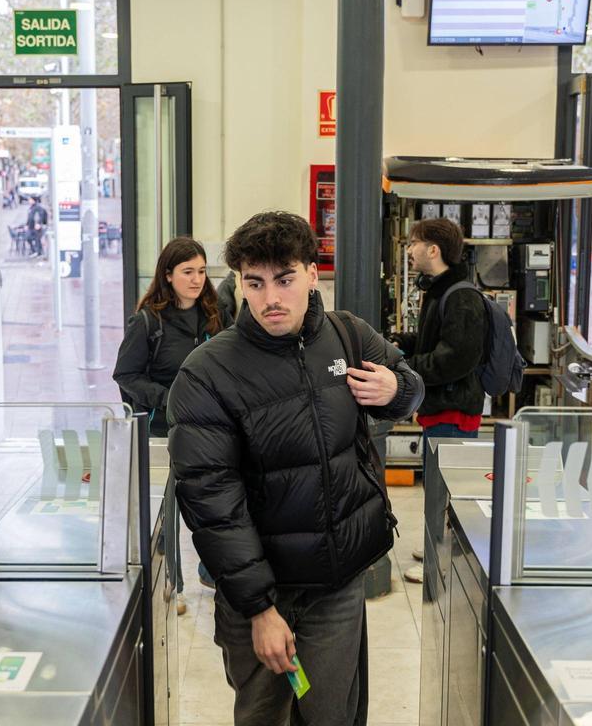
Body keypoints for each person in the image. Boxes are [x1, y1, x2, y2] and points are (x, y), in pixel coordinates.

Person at [168, 211, 424, 725]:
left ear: (312, 273)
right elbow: (213, 504)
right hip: (263, 595)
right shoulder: (208, 373)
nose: (270, 300)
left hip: (338, 584)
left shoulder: (347, 334)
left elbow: (407, 381)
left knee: (334, 715)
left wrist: (398, 392)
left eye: (284, 280)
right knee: (265, 715)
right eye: (254, 283)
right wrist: (260, 609)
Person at [113, 236, 231, 615]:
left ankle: (213, 573)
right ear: (168, 274)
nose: (197, 280)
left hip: (212, 429)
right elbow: (126, 374)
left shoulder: (215, 314)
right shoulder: (148, 320)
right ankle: (171, 583)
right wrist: (167, 398)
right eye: (187, 272)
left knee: (215, 504)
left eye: (200, 271)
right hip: (165, 430)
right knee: (168, 513)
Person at [389, 218, 486, 584]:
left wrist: (407, 368)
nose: (409, 250)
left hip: (453, 410)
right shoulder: (443, 291)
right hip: (441, 408)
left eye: (414, 243)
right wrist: (406, 342)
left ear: (433, 249)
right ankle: (436, 547)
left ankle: (438, 563)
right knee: (436, 488)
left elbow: (456, 357)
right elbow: (437, 340)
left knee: (444, 492)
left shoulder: (460, 296)